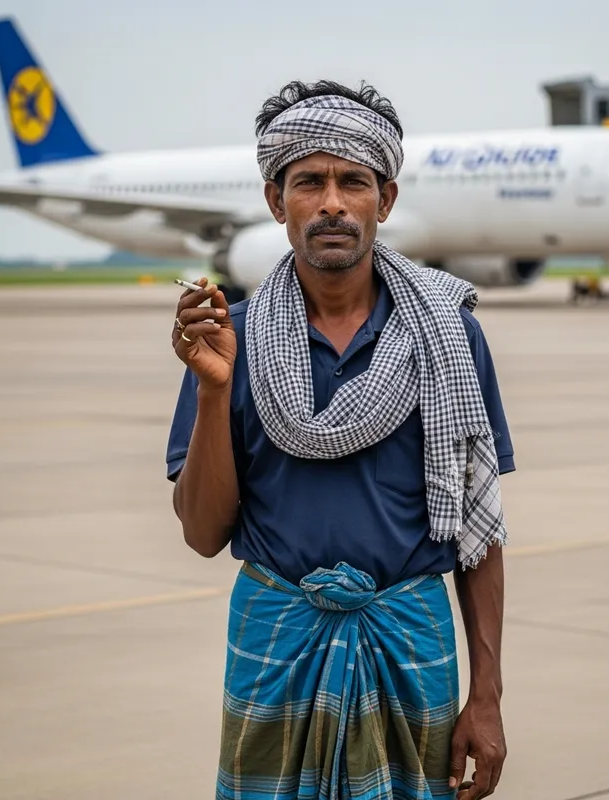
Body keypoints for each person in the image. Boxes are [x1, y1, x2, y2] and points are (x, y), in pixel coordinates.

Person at [166, 80, 515, 800]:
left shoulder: (451, 336)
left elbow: (478, 536)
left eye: (352, 181)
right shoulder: (229, 337)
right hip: (276, 642)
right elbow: (203, 533)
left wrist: (488, 697)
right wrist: (213, 388)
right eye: (308, 182)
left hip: (409, 635)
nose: (331, 202)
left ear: (383, 201)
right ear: (276, 201)